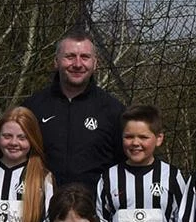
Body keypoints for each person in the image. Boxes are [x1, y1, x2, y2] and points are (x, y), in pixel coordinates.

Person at [21, 31, 126, 191]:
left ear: (95, 63)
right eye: (70, 57)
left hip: (93, 211)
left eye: (85, 57)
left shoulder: (114, 110)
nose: (77, 64)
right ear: (56, 62)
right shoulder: (33, 107)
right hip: (41, 208)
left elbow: (125, 164)